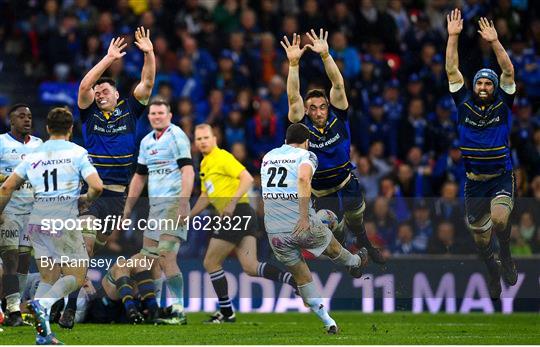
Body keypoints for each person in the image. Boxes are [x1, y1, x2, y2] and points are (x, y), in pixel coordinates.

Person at [66, 26, 155, 329]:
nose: (100, 94)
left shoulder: (130, 110)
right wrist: (108, 58)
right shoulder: (89, 114)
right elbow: (83, 87)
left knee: (98, 244)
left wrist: (149, 53)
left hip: (118, 197)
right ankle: (71, 304)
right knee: (87, 244)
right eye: (98, 91)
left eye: (106, 91)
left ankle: (81, 290)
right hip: (94, 193)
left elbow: (147, 82)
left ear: (118, 95)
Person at [0, 107, 103, 345]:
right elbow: (96, 186)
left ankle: (43, 334)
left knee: (49, 278)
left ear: (47, 128)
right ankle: (42, 304)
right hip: (63, 219)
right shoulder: (78, 152)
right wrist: (86, 199)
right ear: (70, 129)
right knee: (77, 276)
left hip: (36, 222)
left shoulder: (34, 154)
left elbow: (7, 187)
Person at [281, 29, 385, 264]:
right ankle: (352, 259)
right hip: (321, 192)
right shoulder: (302, 126)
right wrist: (294, 64)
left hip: (346, 182)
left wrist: (326, 56)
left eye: (322, 106)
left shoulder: (339, 115)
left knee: (357, 221)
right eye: (313, 107)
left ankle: (364, 242)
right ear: (307, 110)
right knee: (331, 230)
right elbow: (292, 97)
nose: (318, 111)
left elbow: (337, 83)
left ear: (328, 107)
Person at [261, 123, 368, 334]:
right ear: (307, 142)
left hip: (275, 232)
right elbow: (303, 178)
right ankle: (356, 262)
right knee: (331, 238)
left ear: (285, 140)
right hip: (300, 223)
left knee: (302, 278)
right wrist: (302, 216)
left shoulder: (268, 156)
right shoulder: (306, 156)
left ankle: (329, 322)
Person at [190, 124, 298, 323]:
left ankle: (227, 313)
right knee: (250, 266)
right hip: (243, 214)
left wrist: (231, 204)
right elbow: (206, 195)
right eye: (199, 139)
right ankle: (292, 280)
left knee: (210, 262)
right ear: (195, 143)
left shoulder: (222, 157)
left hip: (237, 212)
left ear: (215, 138)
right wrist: (189, 214)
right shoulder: (205, 164)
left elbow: (247, 178)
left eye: (206, 137)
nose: (203, 141)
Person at [445, 9, 517, 299]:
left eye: (489, 83)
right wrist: (452, 37)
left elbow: (509, 71)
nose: (484, 87)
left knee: (499, 220)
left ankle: (508, 257)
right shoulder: (463, 103)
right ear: (473, 86)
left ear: (494, 86)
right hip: (474, 180)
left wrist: (495, 42)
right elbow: (452, 70)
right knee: (480, 238)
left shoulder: (504, 104)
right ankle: (493, 270)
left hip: (500, 176)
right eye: (480, 83)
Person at [122, 100, 194, 325]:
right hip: (155, 209)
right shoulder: (146, 142)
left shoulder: (177, 136)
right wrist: (127, 208)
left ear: (170, 115)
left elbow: (188, 170)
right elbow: (139, 176)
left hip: (174, 204)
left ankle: (179, 310)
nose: (156, 117)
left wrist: (184, 202)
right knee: (148, 261)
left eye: (161, 113)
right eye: (153, 113)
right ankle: (158, 309)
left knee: (166, 256)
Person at [0, 104, 42, 326]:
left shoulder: (39, 145)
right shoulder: (1, 142)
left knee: (25, 260)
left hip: (31, 210)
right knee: (10, 258)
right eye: (21, 116)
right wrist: (8, 179)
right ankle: (14, 310)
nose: (27, 120)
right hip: (8, 209)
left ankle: (12, 309)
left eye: (29, 116)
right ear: (11, 121)